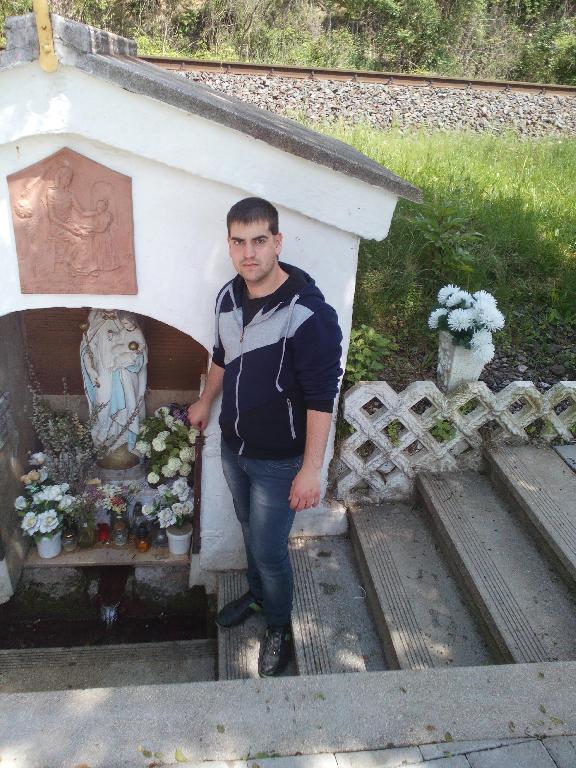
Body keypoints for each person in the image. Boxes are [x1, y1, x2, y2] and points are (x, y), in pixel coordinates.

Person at [187, 197, 342, 677]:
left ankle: (279, 627)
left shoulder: (308, 314)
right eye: (239, 242)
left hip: (279, 461)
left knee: (270, 551)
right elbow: (221, 355)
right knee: (248, 530)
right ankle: (257, 598)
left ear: (277, 242)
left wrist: (311, 470)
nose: (248, 253)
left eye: (259, 241)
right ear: (229, 244)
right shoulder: (228, 298)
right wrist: (205, 401)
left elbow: (321, 397)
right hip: (234, 448)